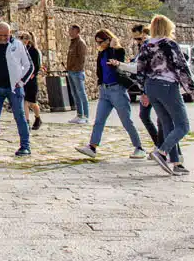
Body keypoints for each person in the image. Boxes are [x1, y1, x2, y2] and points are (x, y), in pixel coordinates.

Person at [136, 14, 194, 176]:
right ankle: (161, 151)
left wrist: (143, 91)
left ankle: (176, 163)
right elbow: (181, 68)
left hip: (151, 87)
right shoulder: (169, 44)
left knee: (167, 124)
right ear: (168, 27)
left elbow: (140, 69)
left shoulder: (146, 46)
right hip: (167, 86)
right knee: (183, 126)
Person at [76, 30, 147, 160]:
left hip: (117, 90)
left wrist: (114, 47)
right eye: (97, 42)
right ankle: (92, 146)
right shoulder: (101, 53)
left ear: (108, 40)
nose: (99, 44)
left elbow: (118, 63)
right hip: (105, 90)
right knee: (99, 120)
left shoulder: (118, 51)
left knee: (126, 121)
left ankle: (139, 147)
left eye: (101, 41)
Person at [0, 21, 33, 157]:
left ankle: (25, 146)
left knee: (20, 116)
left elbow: (29, 65)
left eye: (6, 35)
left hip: (14, 88)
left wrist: (21, 82)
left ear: (10, 34)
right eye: (0, 35)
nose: (3, 38)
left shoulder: (18, 45)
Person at [130, 23, 162, 148]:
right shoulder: (142, 47)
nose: (137, 42)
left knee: (162, 120)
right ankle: (159, 145)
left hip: (153, 87)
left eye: (138, 38)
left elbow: (142, 69)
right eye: (135, 39)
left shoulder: (150, 46)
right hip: (147, 87)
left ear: (145, 34)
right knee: (146, 116)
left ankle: (166, 149)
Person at [65, 25, 90, 124]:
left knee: (81, 94)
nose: (69, 32)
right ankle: (79, 115)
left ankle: (86, 116)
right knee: (75, 94)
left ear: (76, 31)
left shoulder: (80, 43)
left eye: (71, 30)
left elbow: (81, 59)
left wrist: (75, 69)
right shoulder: (73, 43)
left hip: (77, 72)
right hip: (71, 71)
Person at [21, 31, 44, 131]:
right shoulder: (21, 50)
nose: (24, 40)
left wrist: (32, 74)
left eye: (26, 38)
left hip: (31, 79)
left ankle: (38, 118)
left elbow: (37, 65)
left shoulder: (34, 51)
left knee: (32, 102)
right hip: (23, 79)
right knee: (24, 101)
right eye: (22, 38)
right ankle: (26, 122)